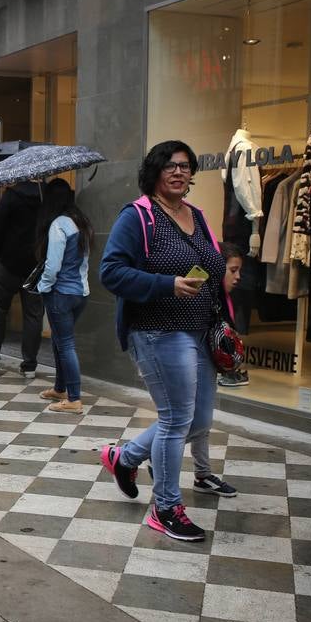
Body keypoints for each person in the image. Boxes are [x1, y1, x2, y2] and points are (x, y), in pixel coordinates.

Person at [98, 141, 227, 543]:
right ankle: (166, 506)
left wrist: (222, 320)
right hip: (158, 331)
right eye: (170, 165)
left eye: (186, 166)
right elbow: (111, 272)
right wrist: (166, 284)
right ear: (154, 171)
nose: (178, 172)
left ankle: (127, 456)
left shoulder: (199, 216)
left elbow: (212, 270)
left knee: (200, 420)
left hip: (200, 331)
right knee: (175, 420)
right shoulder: (138, 217)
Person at [180, 242, 242, 497]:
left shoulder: (221, 297)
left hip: (206, 357)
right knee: (193, 419)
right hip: (194, 353)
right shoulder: (205, 292)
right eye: (233, 270)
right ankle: (136, 454)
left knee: (202, 416)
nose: (238, 277)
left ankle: (203, 474)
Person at [0, 181, 51, 375]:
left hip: (9, 264)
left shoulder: (11, 195)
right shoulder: (46, 195)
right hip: (36, 264)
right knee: (33, 315)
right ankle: (29, 365)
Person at [34, 183, 93, 415]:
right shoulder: (81, 222)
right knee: (60, 340)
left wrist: (43, 287)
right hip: (80, 293)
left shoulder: (59, 224)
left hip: (60, 293)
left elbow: (53, 265)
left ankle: (74, 398)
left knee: (66, 344)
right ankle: (60, 388)